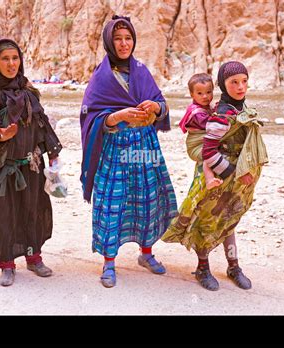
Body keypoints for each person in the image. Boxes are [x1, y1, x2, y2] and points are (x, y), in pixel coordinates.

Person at [80, 15, 177, 288]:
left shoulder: (142, 70)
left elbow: (162, 104)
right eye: (118, 39)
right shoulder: (101, 78)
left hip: (145, 146)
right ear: (109, 42)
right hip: (114, 150)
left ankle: (146, 254)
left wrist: (156, 108)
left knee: (146, 200)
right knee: (112, 203)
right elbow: (89, 115)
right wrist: (116, 116)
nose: (124, 44)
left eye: (128, 38)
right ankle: (109, 262)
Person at [162, 61, 268, 291]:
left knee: (229, 220)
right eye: (234, 82)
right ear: (223, 84)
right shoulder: (222, 115)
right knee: (207, 222)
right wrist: (233, 173)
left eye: (244, 81)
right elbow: (209, 150)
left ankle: (233, 266)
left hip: (234, 178)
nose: (241, 87)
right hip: (219, 177)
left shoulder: (240, 108)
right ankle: (202, 268)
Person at [0, 38, 62, 286]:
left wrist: (53, 152)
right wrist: (1, 137)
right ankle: (7, 264)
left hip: (31, 166)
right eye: (5, 59)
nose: (11, 64)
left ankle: (34, 258)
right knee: (4, 215)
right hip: (1, 169)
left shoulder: (28, 91)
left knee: (32, 211)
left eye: (15, 58)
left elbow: (42, 124)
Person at [179, 73, 231, 190]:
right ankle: (209, 179)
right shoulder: (197, 113)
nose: (205, 96)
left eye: (208, 92)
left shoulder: (205, 106)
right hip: (196, 146)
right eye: (200, 93)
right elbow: (211, 126)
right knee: (209, 154)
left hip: (202, 142)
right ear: (192, 94)